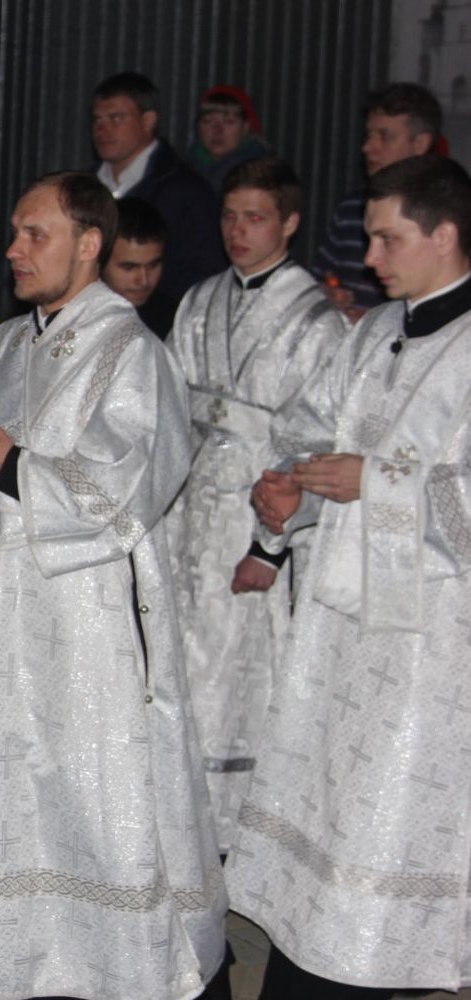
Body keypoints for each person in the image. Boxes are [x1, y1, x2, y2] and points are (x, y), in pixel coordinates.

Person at [0, 171, 229, 1000]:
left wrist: (11, 459)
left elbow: (131, 482)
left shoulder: (131, 352)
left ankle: (114, 965)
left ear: (89, 244)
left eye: (35, 234)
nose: (14, 250)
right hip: (6, 607)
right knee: (8, 774)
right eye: (14, 232)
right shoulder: (8, 343)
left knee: (93, 785)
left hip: (92, 618)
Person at [227, 154, 471, 997]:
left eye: (387, 238)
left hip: (426, 644)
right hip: (336, 624)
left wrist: (381, 482)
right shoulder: (370, 333)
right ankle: (312, 955)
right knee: (325, 803)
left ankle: (371, 966)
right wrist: (292, 490)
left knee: (386, 818)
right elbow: (313, 429)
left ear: (446, 235)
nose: (368, 258)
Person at [164, 156, 347, 855]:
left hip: (255, 514)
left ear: (290, 223)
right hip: (187, 511)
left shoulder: (317, 322)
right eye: (229, 216)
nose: (237, 231)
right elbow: (169, 407)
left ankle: (237, 830)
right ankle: (177, 813)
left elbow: (316, 441)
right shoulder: (200, 300)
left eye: (256, 218)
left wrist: (270, 547)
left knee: (241, 667)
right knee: (181, 659)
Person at [311, 82, 442, 321]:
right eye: (369, 135)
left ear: (420, 144)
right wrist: (326, 296)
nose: (367, 147)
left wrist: (377, 325)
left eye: (385, 136)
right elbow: (320, 278)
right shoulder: (351, 208)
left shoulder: (446, 214)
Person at [91, 71, 224, 300]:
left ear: (148, 121)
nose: (102, 130)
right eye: (97, 120)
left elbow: (204, 279)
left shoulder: (188, 192)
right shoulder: (82, 189)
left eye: (116, 118)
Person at [104, 196, 179, 338]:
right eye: (129, 267)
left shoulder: (176, 321)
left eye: (153, 265)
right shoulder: (73, 314)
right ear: (100, 260)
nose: (144, 280)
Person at [187, 85, 269, 192]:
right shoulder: (185, 169)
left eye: (228, 122)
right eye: (207, 121)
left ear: (246, 127)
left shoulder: (259, 176)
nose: (217, 130)